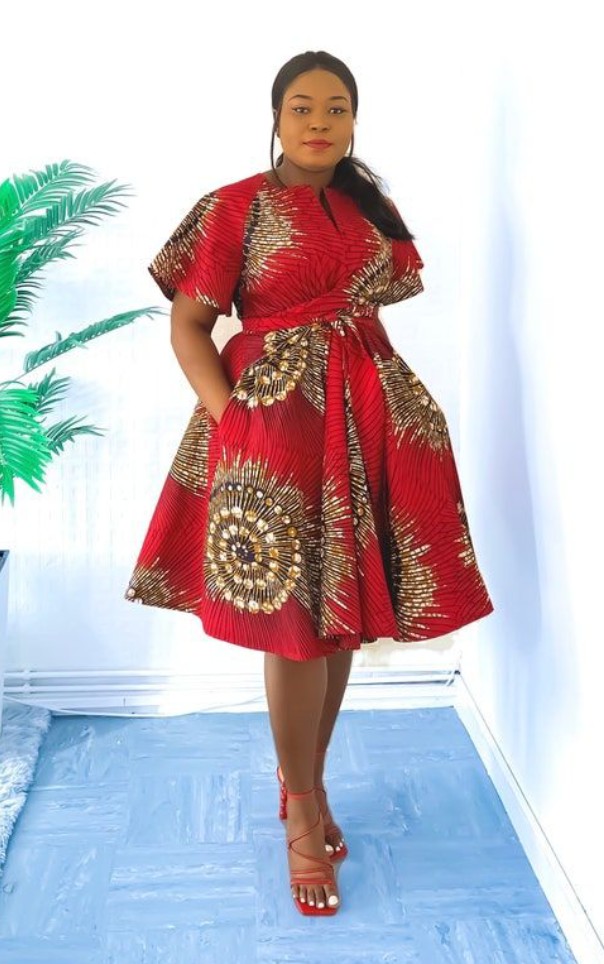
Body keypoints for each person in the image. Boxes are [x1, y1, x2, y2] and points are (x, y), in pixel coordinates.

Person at [124, 50, 494, 917]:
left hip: (364, 419)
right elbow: (188, 325)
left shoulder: (370, 207)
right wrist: (234, 420)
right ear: (276, 116)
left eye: (336, 107)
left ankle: (311, 785)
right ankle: (298, 811)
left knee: (336, 618)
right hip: (273, 425)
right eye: (302, 106)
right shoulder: (234, 207)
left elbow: (368, 310)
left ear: (355, 121)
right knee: (293, 626)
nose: (319, 121)